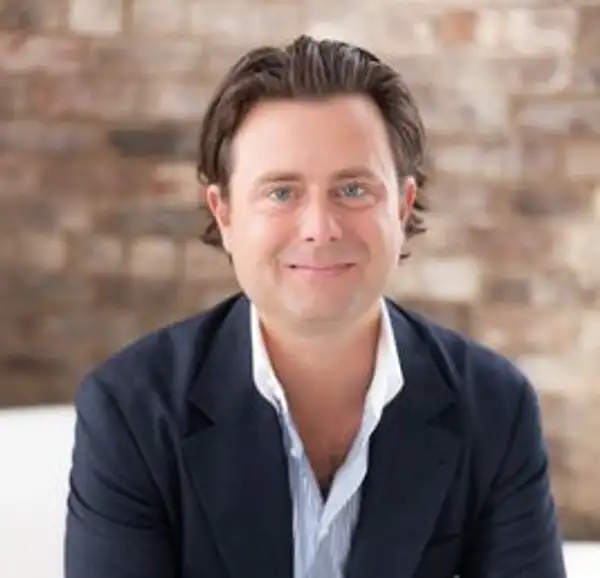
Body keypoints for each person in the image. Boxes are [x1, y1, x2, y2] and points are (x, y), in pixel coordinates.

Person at [64, 35, 567, 578]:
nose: (320, 229)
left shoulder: (495, 406)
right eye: (281, 192)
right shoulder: (131, 410)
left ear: (403, 207)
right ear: (224, 213)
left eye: (353, 190)